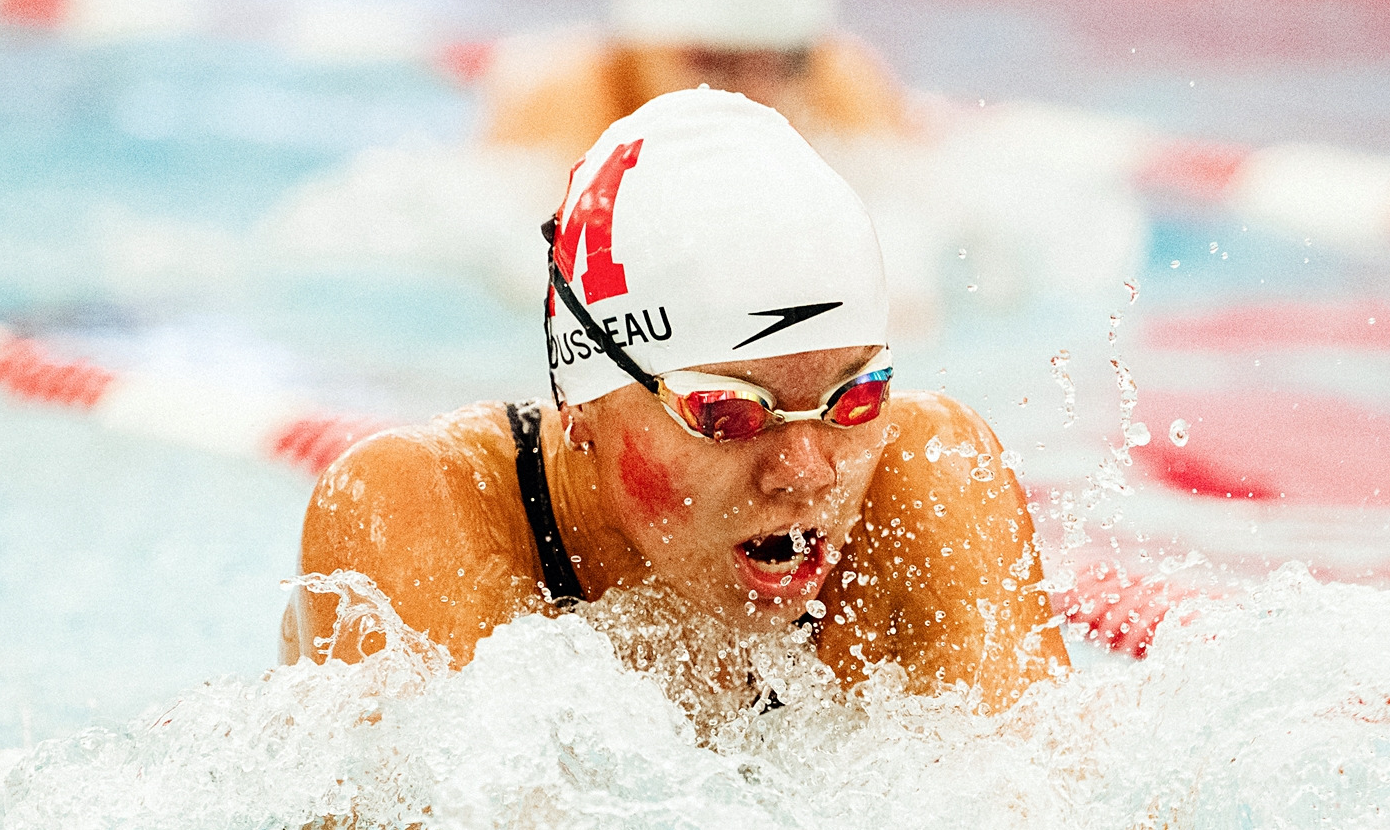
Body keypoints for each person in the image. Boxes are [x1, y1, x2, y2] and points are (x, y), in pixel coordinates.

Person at [282, 88, 1068, 711]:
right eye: (731, 413)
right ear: (582, 401)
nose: (805, 471)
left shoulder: (929, 478)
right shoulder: (416, 508)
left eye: (853, 398)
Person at [480, 0, 914, 164]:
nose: (756, 97)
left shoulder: (841, 84)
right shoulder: (560, 97)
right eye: (716, 62)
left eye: (786, 62)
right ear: (632, 50)